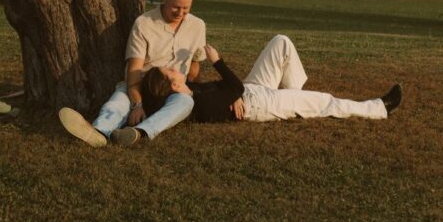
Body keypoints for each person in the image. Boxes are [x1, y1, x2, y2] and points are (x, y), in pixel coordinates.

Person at [119, 35, 401, 141]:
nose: (173, 68)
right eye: (170, 71)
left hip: (253, 92)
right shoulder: (196, 105)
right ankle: (379, 108)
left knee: (281, 43)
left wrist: (232, 92)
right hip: (261, 103)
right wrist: (217, 61)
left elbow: (231, 90)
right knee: (327, 101)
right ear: (173, 84)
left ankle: (297, 98)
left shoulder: (190, 90)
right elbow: (234, 86)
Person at [58, 0, 206, 147]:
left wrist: (195, 81)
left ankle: (138, 133)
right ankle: (98, 132)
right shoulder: (144, 23)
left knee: (185, 102)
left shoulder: (197, 25)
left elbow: (196, 63)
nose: (180, 13)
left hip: (173, 89)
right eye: (176, 7)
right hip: (141, 84)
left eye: (186, 9)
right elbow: (134, 70)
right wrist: (137, 104)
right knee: (117, 105)